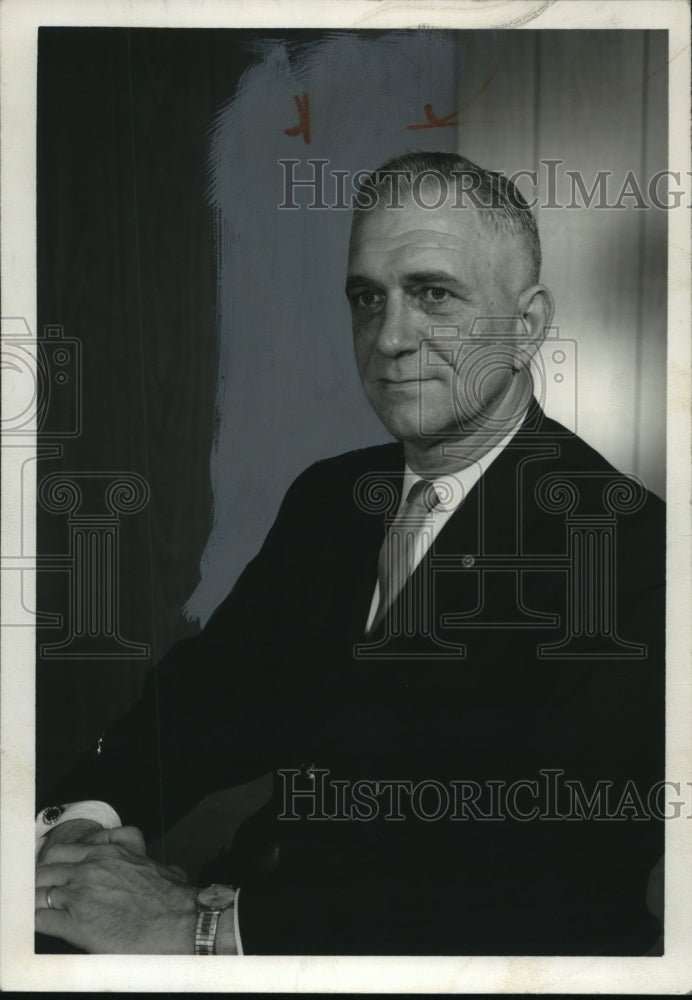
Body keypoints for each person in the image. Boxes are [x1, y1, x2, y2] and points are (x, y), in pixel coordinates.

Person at [34, 152, 665, 956]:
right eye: (368, 299)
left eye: (433, 293)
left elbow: (556, 889)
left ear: (528, 325)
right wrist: (80, 833)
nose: (390, 337)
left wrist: (197, 926)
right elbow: (197, 706)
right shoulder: (332, 498)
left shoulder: (633, 554)